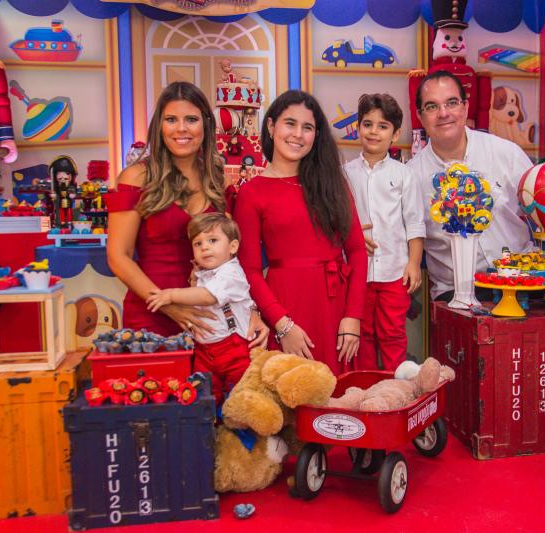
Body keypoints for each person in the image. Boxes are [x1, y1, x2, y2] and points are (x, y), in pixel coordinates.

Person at [407, 71, 545, 302]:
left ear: (465, 107)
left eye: (452, 102)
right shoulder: (410, 177)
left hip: (522, 281)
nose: (443, 113)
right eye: (432, 106)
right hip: (454, 294)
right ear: (420, 116)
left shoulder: (504, 153)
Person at [106, 81, 267, 346]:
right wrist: (169, 306)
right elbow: (118, 257)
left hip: (211, 318)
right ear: (159, 126)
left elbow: (232, 260)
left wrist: (250, 311)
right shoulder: (136, 177)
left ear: (206, 125)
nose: (181, 128)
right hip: (152, 311)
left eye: (191, 119)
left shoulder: (219, 181)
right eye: (171, 119)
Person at [233, 90, 367, 375]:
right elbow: (249, 270)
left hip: (336, 308)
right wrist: (282, 325)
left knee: (341, 394)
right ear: (271, 126)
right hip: (287, 307)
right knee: (294, 391)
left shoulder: (333, 183)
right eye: (290, 123)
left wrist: (353, 316)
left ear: (316, 135)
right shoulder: (251, 193)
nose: (298, 134)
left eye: (307, 127)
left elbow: (356, 251)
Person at [344, 93, 425, 372]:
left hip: (394, 271)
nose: (373, 132)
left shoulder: (404, 175)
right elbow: (337, 222)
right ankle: (366, 386)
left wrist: (414, 263)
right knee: (362, 334)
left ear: (395, 133)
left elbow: (414, 223)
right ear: (358, 127)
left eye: (382, 126)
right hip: (358, 273)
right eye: (367, 124)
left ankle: (395, 387)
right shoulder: (344, 174)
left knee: (392, 333)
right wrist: (353, 234)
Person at [146, 213, 253, 407]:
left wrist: (171, 295)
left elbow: (207, 296)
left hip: (233, 349)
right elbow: (197, 297)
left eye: (212, 240)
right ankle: (210, 420)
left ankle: (238, 422)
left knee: (241, 398)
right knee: (204, 396)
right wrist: (194, 279)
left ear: (232, 247)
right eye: (198, 243)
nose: (204, 247)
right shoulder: (206, 273)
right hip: (205, 350)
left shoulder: (231, 272)